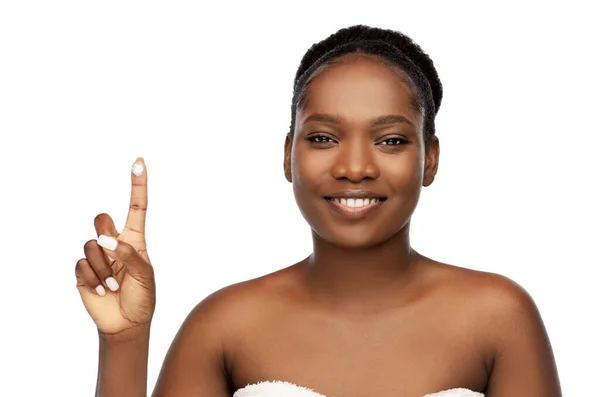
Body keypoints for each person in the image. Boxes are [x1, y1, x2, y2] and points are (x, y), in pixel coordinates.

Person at [74, 25, 562, 397]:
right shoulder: (223, 326)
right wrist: (125, 340)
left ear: (429, 159)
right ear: (289, 154)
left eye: (390, 140)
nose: (354, 167)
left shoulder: (499, 317)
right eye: (323, 138)